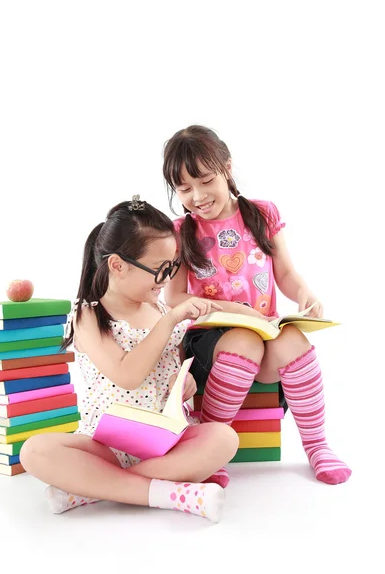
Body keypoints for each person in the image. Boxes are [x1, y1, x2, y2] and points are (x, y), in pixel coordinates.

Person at [20, 196, 239, 522]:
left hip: (164, 444)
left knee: (224, 438)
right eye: (159, 269)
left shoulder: (159, 310)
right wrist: (169, 322)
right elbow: (128, 375)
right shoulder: (89, 315)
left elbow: (168, 371)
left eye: (172, 267)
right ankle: (168, 493)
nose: (167, 279)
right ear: (118, 265)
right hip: (106, 447)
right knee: (34, 452)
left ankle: (91, 488)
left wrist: (184, 383)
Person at [161, 125, 351, 485]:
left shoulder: (261, 214)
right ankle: (210, 448)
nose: (198, 195)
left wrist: (305, 294)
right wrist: (235, 313)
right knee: (244, 343)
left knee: (294, 341)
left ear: (227, 167)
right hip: (212, 339)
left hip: (263, 330)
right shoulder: (181, 231)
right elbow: (173, 297)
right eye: (184, 189)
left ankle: (317, 444)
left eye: (205, 180)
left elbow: (286, 272)